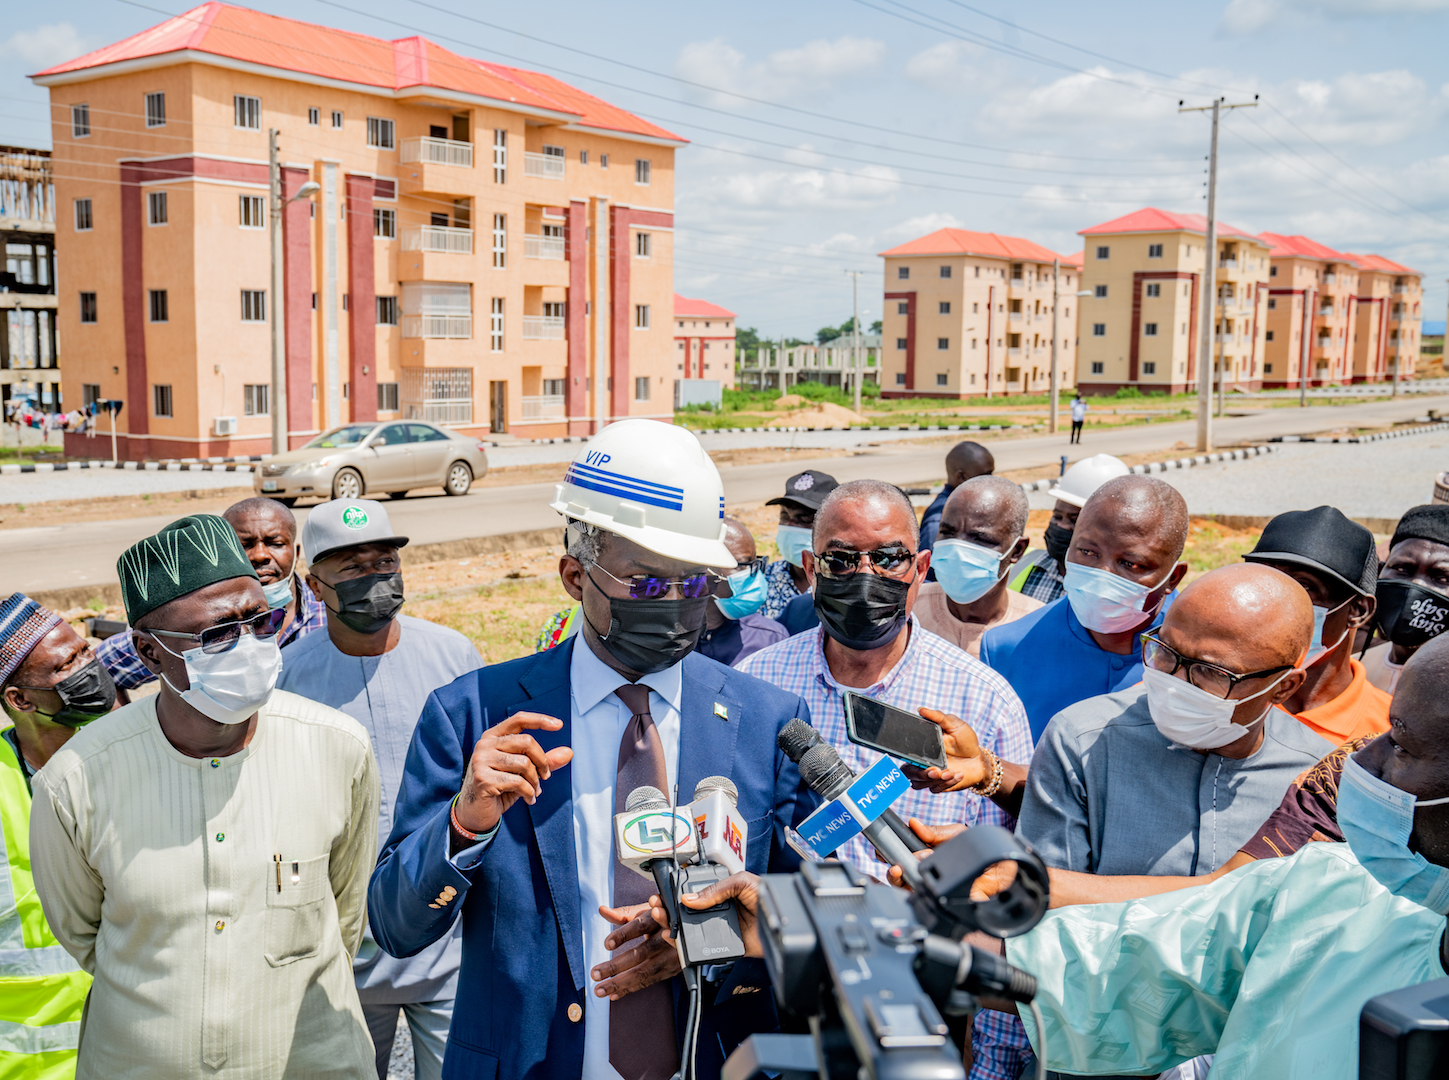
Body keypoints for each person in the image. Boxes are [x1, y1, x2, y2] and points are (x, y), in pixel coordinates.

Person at [653, 639, 1449, 1080]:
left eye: (1402, 745)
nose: (1364, 756)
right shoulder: (1322, 895)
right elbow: (1087, 968)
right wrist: (820, 927)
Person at [368, 420, 819, 1080]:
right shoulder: (473, 714)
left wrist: (710, 940)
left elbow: (804, 911)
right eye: (643, 583)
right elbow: (398, 926)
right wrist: (464, 824)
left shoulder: (765, 720)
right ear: (575, 577)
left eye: (693, 583)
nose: (672, 603)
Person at [29, 514, 380, 1079]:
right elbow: (85, 936)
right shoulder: (77, 779)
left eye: (259, 623)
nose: (247, 645)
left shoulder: (338, 748)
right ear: (148, 653)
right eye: (217, 634)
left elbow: (344, 917)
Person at [975, 564, 1332, 1080]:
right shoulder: (1084, 741)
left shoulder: (1315, 785)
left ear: (1284, 684)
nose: (1172, 681)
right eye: (1165, 650)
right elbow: (1054, 935)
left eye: (1212, 672)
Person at [275, 499, 482, 1080]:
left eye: (384, 560)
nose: (374, 577)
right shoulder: (287, 678)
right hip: (342, 952)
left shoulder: (453, 655)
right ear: (315, 585)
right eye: (352, 566)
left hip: (451, 939)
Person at [737, 478, 1032, 875]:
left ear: (921, 568)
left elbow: (1014, 858)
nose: (865, 576)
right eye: (840, 560)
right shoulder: (755, 682)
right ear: (811, 569)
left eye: (889, 558)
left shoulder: (985, 699)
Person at [981, 475, 1189, 741]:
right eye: (1088, 552)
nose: (1102, 574)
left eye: (1131, 564)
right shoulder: (1007, 649)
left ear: (1173, 577)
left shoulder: (1208, 659)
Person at [0, 595, 111, 1077]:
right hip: (29, 1061)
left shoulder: (138, 748)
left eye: (85, 650)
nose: (89, 666)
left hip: (141, 1050)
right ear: (20, 700)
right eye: (68, 664)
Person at [97, 496, 325, 697]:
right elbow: (100, 668)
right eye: (244, 545)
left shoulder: (328, 618)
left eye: (275, 543)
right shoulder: (189, 628)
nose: (260, 555)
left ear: (295, 553)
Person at [1242, 505, 1389, 742]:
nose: (1274, 597)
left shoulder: (1385, 731)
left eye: (1304, 585)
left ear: (1358, 610)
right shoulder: (1223, 695)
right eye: (1265, 578)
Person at [913, 476, 1042, 658]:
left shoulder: (1038, 626)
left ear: (1016, 551)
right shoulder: (907, 612)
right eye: (947, 533)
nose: (957, 548)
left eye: (980, 539)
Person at [1008, 454, 1130, 605]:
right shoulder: (1024, 563)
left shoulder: (1117, 590)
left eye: (1074, 520)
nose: (1062, 526)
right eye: (1057, 517)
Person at [1362, 503, 1449, 694]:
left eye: (1442, 578)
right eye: (1402, 569)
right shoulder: (1357, 669)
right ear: (1379, 572)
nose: (1416, 585)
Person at [698, 517, 788, 667]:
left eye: (754, 563)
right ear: (703, 571)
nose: (754, 575)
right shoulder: (672, 639)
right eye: (741, 566)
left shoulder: (770, 639)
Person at [762, 469, 838, 619]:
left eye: (803, 518)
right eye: (785, 516)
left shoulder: (846, 581)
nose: (790, 525)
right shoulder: (765, 579)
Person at [918, 440, 995, 555]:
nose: (991, 481)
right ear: (961, 477)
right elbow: (928, 569)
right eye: (985, 475)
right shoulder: (939, 521)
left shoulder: (967, 508)